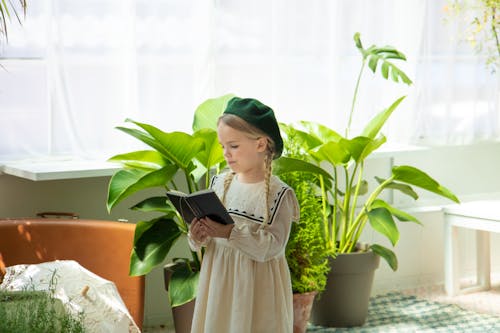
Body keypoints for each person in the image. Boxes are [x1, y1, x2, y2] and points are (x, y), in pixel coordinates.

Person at [188, 96, 300, 333]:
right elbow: (210, 240)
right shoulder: (219, 184)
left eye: (234, 146)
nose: (226, 154)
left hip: (258, 289)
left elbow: (272, 247)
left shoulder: (278, 194)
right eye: (223, 146)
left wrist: (229, 232)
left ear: (260, 144)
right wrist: (199, 236)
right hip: (219, 282)